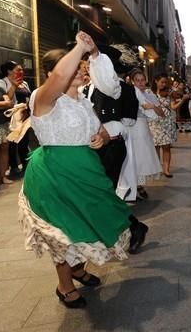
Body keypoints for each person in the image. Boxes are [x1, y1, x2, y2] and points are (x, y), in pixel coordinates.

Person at [18, 32, 141, 308]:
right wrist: (79, 48)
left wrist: (103, 137)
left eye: (80, 65)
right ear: (53, 73)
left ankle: (77, 269)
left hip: (85, 169)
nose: (80, 69)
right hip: (56, 173)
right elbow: (60, 78)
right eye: (72, 66)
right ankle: (64, 286)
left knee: (89, 220)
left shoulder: (84, 101)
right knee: (65, 230)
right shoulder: (44, 97)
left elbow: (97, 131)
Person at [84, 43, 149, 253]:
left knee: (104, 191)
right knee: (103, 192)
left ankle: (131, 228)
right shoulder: (90, 86)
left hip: (112, 143)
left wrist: (110, 128)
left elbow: (129, 121)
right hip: (99, 143)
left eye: (91, 60)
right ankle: (129, 228)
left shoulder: (114, 85)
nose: (86, 64)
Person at [124, 69, 163, 201]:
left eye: (142, 80)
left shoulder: (148, 93)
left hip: (143, 128)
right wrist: (151, 107)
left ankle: (137, 186)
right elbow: (147, 107)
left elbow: (161, 113)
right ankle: (133, 188)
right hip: (132, 128)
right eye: (138, 80)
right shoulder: (131, 92)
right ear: (133, 82)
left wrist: (152, 106)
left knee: (141, 157)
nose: (140, 83)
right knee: (133, 157)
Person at [0, 61, 32, 179]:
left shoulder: (25, 83)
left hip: (24, 115)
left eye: (22, 70)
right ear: (9, 71)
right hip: (12, 117)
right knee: (12, 143)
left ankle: (26, 165)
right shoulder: (2, 82)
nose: (21, 72)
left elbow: (29, 97)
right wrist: (13, 86)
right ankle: (13, 167)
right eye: (18, 70)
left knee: (24, 141)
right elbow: (7, 100)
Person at [148, 75, 183, 178]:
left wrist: (183, 100)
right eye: (162, 82)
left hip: (167, 122)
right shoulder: (149, 93)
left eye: (165, 82)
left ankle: (166, 170)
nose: (164, 84)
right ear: (156, 81)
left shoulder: (169, 93)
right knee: (156, 147)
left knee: (166, 147)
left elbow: (173, 106)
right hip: (154, 122)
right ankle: (156, 169)